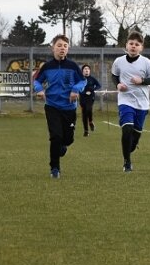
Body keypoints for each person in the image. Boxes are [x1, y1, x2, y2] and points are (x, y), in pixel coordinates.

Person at [32, 34, 87, 179]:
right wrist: (39, 90)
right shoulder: (47, 67)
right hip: (52, 106)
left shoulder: (73, 66)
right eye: (59, 46)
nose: (62, 49)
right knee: (55, 137)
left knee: (68, 139)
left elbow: (82, 82)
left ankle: (62, 147)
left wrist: (76, 90)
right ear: (53, 48)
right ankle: (54, 168)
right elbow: (37, 81)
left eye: (65, 46)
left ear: (68, 49)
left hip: (69, 108)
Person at [110, 31, 150, 173]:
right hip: (125, 100)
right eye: (131, 43)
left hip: (142, 103)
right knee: (127, 129)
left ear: (141, 47)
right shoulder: (118, 61)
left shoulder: (147, 63)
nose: (133, 46)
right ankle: (127, 162)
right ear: (126, 45)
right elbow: (114, 76)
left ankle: (132, 146)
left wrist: (141, 81)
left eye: (137, 44)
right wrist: (118, 85)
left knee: (134, 137)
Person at [79, 64, 102, 136]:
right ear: (82, 71)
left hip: (90, 97)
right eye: (85, 69)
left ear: (89, 71)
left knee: (89, 109)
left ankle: (91, 121)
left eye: (88, 69)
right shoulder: (80, 79)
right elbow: (78, 88)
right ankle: (86, 131)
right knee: (84, 114)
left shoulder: (92, 79)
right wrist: (84, 92)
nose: (86, 70)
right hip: (82, 98)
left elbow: (99, 85)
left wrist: (92, 90)